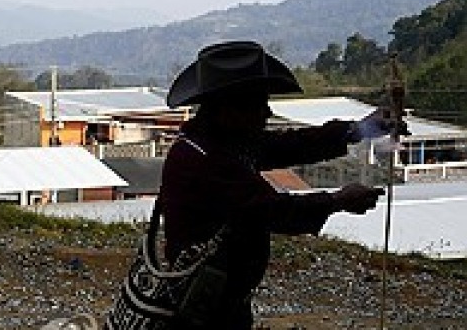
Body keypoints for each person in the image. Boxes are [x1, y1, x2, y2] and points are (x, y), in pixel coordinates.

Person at [158, 40, 405, 329]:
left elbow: (289, 145)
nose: (267, 113)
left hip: (219, 298)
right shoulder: (204, 159)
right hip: (204, 310)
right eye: (257, 105)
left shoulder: (222, 143)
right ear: (228, 110)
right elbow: (270, 210)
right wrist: (337, 201)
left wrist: (358, 130)